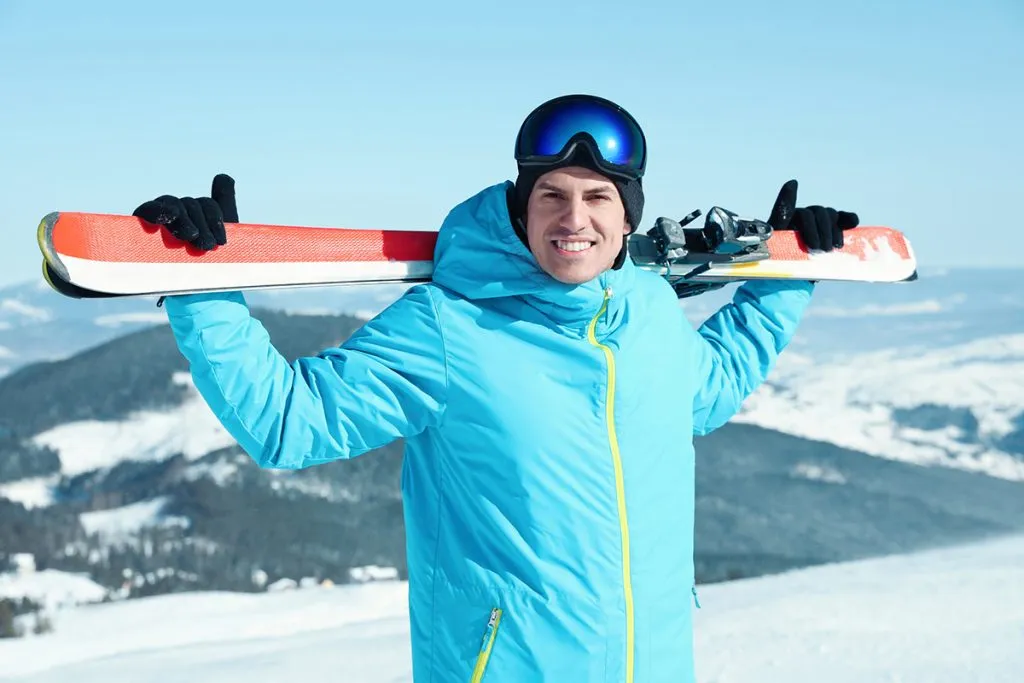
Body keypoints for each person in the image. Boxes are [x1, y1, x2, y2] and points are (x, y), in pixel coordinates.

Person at [133, 93, 858, 682]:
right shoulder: (450, 327)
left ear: (628, 213)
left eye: (598, 197)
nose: (574, 219)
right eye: (552, 195)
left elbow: (712, 385)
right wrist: (206, 290)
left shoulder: (650, 315)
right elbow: (289, 423)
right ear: (522, 206)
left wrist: (785, 278)